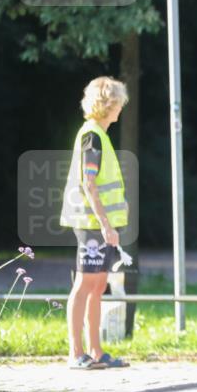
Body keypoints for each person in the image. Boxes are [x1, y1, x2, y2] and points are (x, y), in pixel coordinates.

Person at [59, 77, 131, 370]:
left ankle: (96, 352)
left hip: (102, 224)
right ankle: (76, 353)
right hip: (92, 224)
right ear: (109, 104)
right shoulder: (93, 136)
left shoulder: (99, 134)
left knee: (98, 285)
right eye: (119, 103)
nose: (121, 109)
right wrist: (105, 224)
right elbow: (89, 184)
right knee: (85, 284)